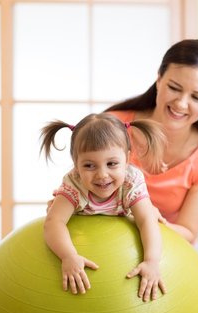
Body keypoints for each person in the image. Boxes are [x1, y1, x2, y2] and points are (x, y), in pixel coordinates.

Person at [104, 39, 198, 248]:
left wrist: (143, 220)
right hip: (105, 239)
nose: (181, 104)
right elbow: (82, 186)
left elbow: (187, 230)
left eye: (197, 97)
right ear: (159, 79)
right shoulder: (112, 127)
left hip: (171, 252)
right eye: (175, 88)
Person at [40, 113, 167, 301]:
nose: (102, 174)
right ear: (75, 163)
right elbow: (53, 222)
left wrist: (152, 260)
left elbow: (147, 220)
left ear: (126, 159)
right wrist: (68, 256)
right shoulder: (74, 183)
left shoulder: (131, 181)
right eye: (90, 165)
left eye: (112, 164)